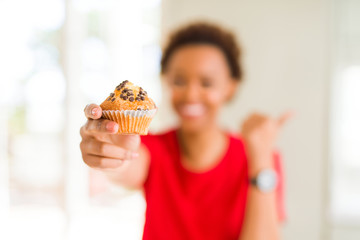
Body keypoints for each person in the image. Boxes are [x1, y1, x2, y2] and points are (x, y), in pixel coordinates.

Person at [80, 22, 290, 240]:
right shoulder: (153, 148)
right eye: (179, 81)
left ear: (231, 87)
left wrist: (261, 160)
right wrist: (109, 148)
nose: (190, 95)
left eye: (206, 83)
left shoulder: (262, 159)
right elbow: (125, 161)